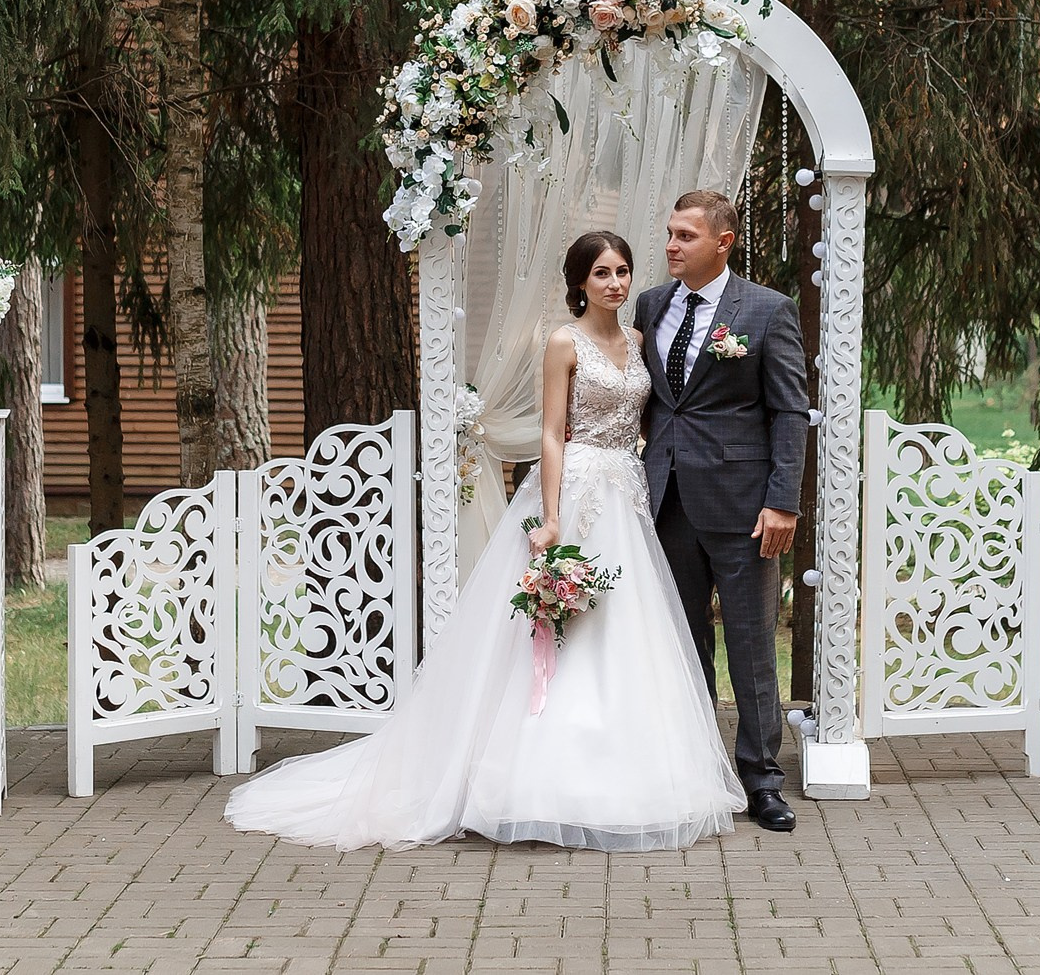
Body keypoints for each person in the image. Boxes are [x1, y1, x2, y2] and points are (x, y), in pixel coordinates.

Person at [226, 230, 745, 850]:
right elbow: (553, 433)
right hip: (577, 491)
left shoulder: (637, 341)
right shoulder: (563, 342)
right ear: (580, 281)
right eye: (602, 273)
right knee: (560, 629)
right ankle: (531, 778)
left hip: (627, 495)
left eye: (623, 271)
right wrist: (551, 519)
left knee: (625, 627)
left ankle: (633, 770)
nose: (615, 283)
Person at [633, 189, 809, 833]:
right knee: (683, 643)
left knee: (752, 644)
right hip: (667, 498)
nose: (671, 246)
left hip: (744, 504)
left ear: (723, 242)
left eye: (685, 236)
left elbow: (789, 411)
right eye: (670, 234)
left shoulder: (766, 311)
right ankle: (696, 768)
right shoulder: (652, 305)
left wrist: (783, 501)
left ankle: (761, 779)